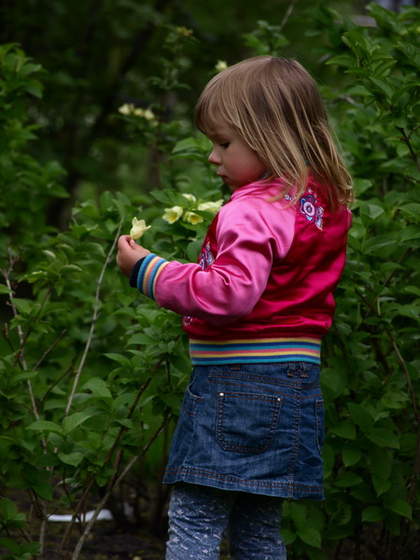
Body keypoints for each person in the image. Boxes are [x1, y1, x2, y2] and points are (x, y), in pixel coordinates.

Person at [117, 56, 352, 560]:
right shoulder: (320, 205)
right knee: (258, 528)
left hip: (238, 381)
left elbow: (230, 294)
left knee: (195, 521)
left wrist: (148, 270)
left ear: (270, 138)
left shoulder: (250, 210)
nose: (212, 157)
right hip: (296, 381)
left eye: (224, 143)